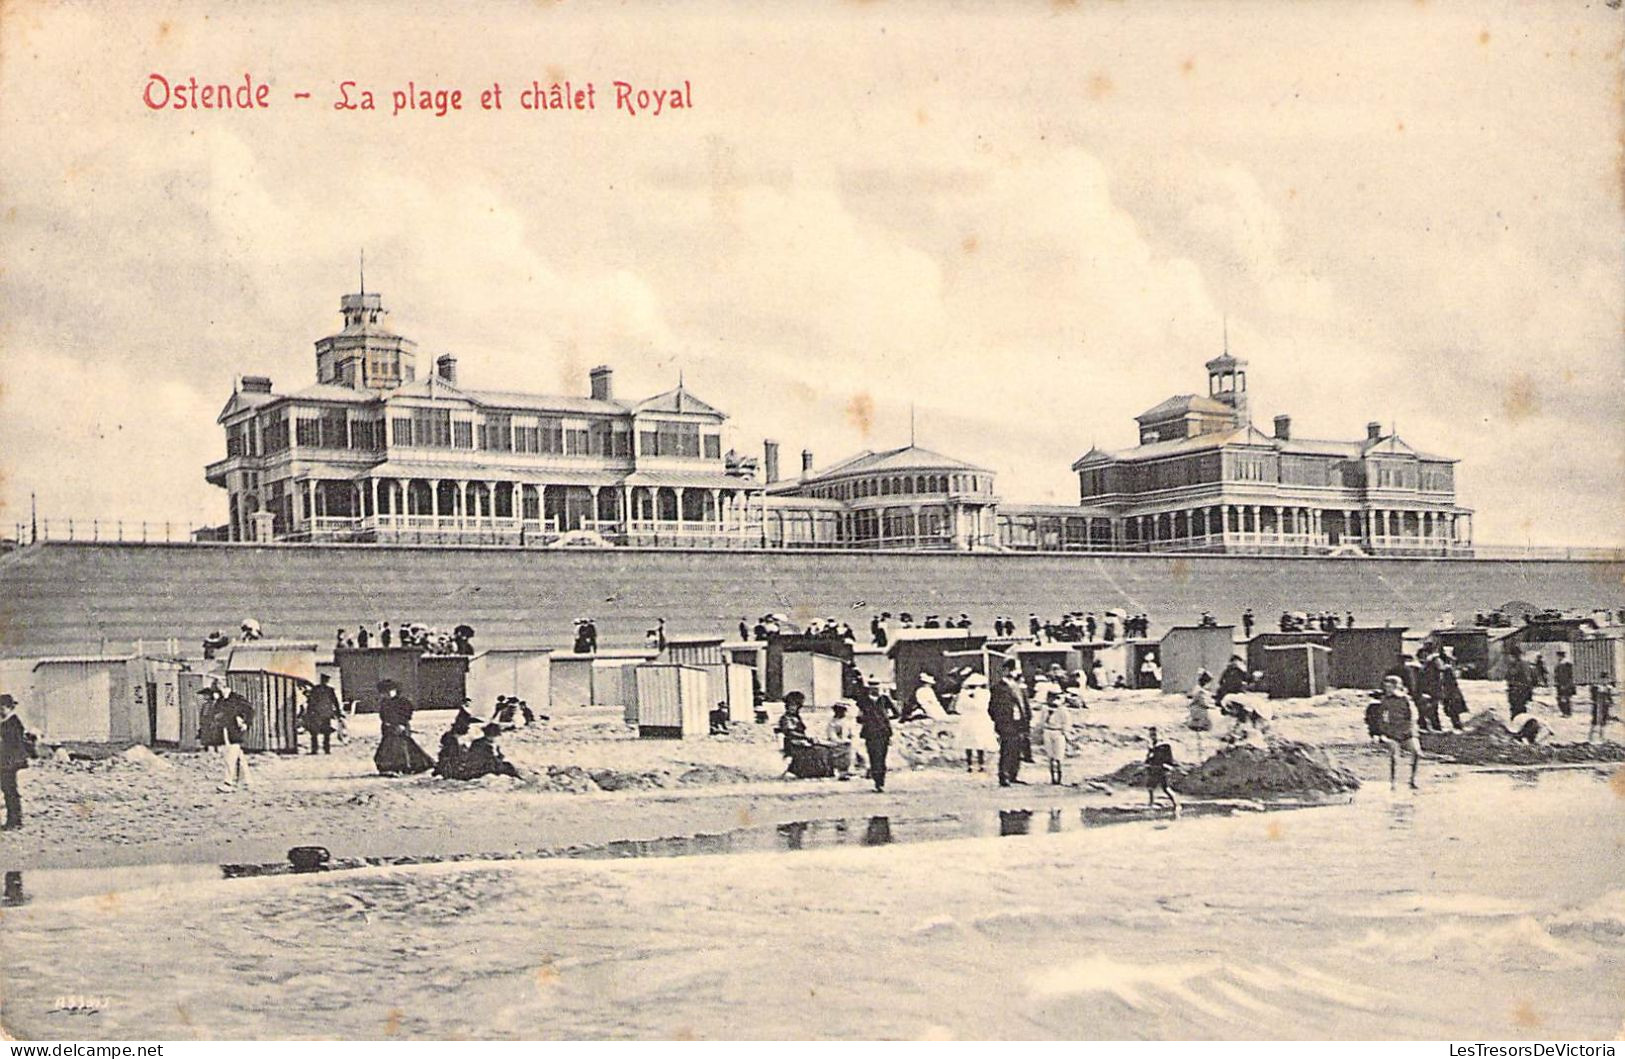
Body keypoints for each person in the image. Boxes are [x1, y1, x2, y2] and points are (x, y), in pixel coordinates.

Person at [374, 680, 434, 776]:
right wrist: (386, 723)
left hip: (400, 727)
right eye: (384, 693)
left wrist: (401, 724)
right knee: (387, 747)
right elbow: (383, 715)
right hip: (389, 729)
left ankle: (405, 766)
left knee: (402, 747)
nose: (387, 694)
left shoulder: (403, 702)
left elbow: (407, 713)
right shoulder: (384, 703)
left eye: (389, 691)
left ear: (395, 690)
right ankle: (388, 767)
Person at [1378, 674, 1421, 789]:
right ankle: (1393, 782)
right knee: (1394, 756)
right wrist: (1384, 730)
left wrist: (1409, 729)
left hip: (1407, 731)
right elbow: (1382, 716)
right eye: (1386, 687)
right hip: (1393, 732)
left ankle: (1412, 780)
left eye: (1390, 687)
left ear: (1396, 687)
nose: (1388, 689)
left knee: (1416, 752)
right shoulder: (1385, 700)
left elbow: (1413, 716)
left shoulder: (1405, 699)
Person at [1, 694, 34, 831]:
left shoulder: (13, 723)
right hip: (7, 761)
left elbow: (13, 744)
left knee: (10, 790)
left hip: (10, 762)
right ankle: (13, 820)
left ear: (9, 707)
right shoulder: (9, 722)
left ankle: (14, 821)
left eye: (1, 708)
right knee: (8, 790)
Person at [988, 669, 1025, 787]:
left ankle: (1013, 774)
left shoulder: (1017, 689)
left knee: (1016, 749)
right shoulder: (999, 689)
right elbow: (993, 708)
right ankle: (1004, 775)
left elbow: (1022, 705)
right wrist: (999, 723)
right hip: (1006, 723)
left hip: (1017, 722)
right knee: (1007, 749)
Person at [216, 684, 256, 792]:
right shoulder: (221, 701)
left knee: (230, 756)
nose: (220, 691)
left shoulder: (237, 699)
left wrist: (245, 722)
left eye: (221, 688)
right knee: (237, 756)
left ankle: (228, 782)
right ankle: (246, 781)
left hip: (235, 731)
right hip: (225, 731)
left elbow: (250, 711)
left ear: (226, 688)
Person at [955, 673, 997, 773]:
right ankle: (971, 764)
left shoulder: (985, 694)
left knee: (979, 741)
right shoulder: (964, 694)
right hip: (970, 718)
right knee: (968, 741)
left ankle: (980, 763)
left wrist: (970, 701)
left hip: (978, 718)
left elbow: (982, 706)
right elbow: (959, 708)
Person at [855, 685, 892, 792]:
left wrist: (885, 719)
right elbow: (859, 718)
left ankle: (881, 782)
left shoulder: (884, 700)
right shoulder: (863, 701)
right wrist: (867, 719)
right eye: (872, 687)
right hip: (870, 733)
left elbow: (896, 713)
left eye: (876, 687)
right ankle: (877, 782)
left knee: (881, 758)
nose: (874, 689)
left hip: (883, 733)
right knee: (873, 757)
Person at [300, 673, 340, 755]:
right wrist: (338, 712)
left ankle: (315, 750)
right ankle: (326, 749)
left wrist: (309, 712)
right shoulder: (330, 690)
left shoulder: (315, 689)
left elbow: (310, 701)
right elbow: (335, 702)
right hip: (325, 713)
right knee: (325, 732)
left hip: (316, 714)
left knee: (315, 732)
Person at [1144, 727, 1179, 812]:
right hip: (1154, 768)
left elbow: (1169, 758)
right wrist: (1148, 762)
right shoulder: (1152, 745)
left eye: (1154, 734)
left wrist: (1168, 766)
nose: (1153, 736)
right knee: (1150, 787)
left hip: (1162, 769)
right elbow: (1149, 758)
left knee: (1165, 788)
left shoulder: (1165, 746)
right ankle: (1151, 804)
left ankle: (1176, 804)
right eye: (1151, 735)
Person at [1038, 689, 1069, 785]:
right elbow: (1042, 721)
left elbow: (1066, 722)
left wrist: (1065, 732)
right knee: (1050, 756)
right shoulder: (1045, 709)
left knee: (1058, 756)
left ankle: (1059, 777)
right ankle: (1053, 778)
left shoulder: (1062, 709)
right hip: (1048, 731)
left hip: (1058, 732)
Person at [434, 714, 474, 779]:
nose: (468, 728)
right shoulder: (451, 739)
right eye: (467, 725)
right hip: (451, 769)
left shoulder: (452, 737)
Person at [825, 701, 857, 781]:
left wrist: (850, 739)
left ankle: (850, 769)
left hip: (847, 743)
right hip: (836, 743)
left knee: (854, 751)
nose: (842, 712)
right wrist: (840, 741)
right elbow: (832, 735)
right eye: (839, 710)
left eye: (843, 710)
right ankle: (841, 771)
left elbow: (852, 733)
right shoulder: (832, 723)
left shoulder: (847, 722)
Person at [1439, 647, 1469, 730]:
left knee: (1453, 708)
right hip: (1450, 690)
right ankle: (1457, 725)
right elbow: (1449, 681)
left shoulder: (1446, 669)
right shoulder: (1447, 669)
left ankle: (1457, 724)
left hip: (1450, 690)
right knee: (1453, 707)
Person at [1186, 671, 1215, 754]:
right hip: (1199, 711)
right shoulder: (1201, 692)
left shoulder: (1197, 688)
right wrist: (1211, 705)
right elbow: (1204, 702)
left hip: (1195, 709)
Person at [1415, 647, 1443, 732]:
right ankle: (1425, 725)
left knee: (1432, 709)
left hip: (1432, 689)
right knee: (1424, 709)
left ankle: (1434, 726)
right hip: (1425, 689)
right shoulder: (1423, 666)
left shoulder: (1431, 664)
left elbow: (1440, 670)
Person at [1504, 645, 1534, 716]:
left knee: (1519, 711)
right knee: (1515, 710)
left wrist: (1527, 692)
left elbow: (1527, 679)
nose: (1509, 658)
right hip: (1515, 693)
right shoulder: (1513, 665)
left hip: (1520, 693)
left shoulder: (1521, 665)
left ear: (1514, 656)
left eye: (1510, 656)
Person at [1554, 650, 1576, 718]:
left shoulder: (1564, 664)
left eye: (1558, 656)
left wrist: (1564, 685)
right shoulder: (1561, 664)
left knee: (1564, 699)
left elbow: (1566, 676)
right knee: (1563, 698)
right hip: (1562, 684)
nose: (1557, 657)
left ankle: (1567, 713)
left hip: (1564, 684)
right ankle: (1566, 712)